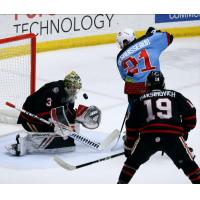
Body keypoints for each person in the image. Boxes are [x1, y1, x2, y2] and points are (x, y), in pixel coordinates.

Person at [117, 71, 200, 184]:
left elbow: (131, 125)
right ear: (163, 84)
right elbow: (191, 113)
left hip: (148, 138)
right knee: (190, 167)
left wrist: (129, 147)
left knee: (131, 164)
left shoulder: (140, 100)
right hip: (172, 137)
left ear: (147, 84)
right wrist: (184, 130)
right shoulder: (175, 95)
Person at [6, 71, 82, 156]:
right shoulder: (54, 91)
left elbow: (68, 111)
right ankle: (22, 141)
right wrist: (53, 121)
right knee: (54, 132)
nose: (75, 90)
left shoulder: (69, 95)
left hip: (46, 117)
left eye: (77, 88)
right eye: (73, 87)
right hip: (30, 118)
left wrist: (78, 117)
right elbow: (41, 110)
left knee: (63, 132)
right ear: (67, 85)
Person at [116, 27, 173, 107]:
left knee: (135, 114)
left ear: (125, 41)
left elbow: (125, 77)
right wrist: (153, 35)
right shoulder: (151, 42)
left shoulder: (120, 58)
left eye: (120, 43)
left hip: (134, 90)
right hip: (155, 84)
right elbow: (169, 37)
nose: (120, 45)